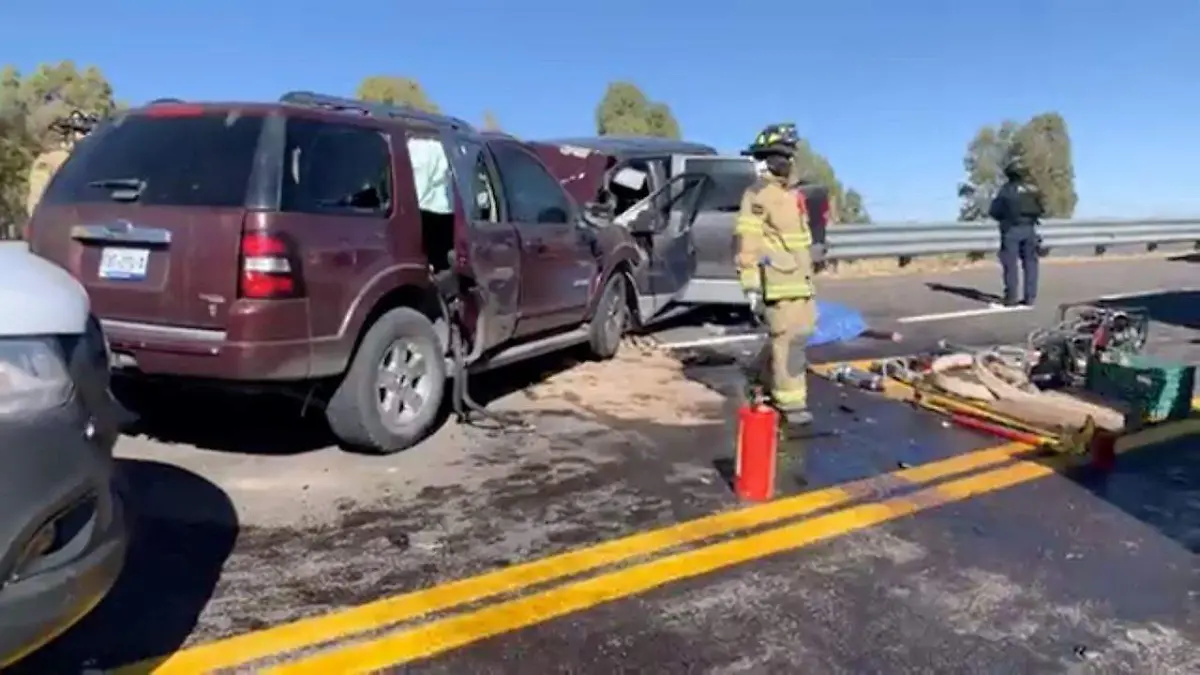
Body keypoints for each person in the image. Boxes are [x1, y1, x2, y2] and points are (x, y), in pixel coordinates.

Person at [735, 123, 817, 428]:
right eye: (775, 156)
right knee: (788, 341)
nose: (784, 161)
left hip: (802, 283)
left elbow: (798, 243)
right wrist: (751, 286)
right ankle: (791, 403)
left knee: (798, 338)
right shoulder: (758, 195)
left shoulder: (792, 195)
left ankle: (760, 378)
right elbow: (748, 242)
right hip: (778, 283)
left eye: (786, 155)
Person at [989, 158, 1045, 306]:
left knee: (1010, 263)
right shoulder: (1033, 189)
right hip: (1030, 229)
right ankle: (1030, 297)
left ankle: (1011, 297)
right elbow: (1042, 208)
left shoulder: (1007, 190)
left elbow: (994, 211)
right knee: (1031, 263)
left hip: (1011, 230)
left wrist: (1003, 219)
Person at [25, 110, 96, 216]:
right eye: (82, 132)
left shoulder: (81, 160)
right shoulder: (57, 159)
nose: (85, 137)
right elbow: (37, 196)